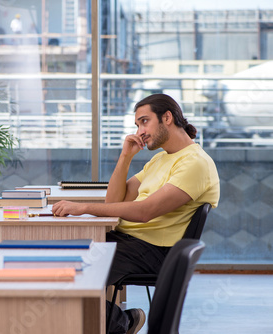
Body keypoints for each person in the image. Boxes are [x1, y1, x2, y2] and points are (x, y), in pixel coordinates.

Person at [52, 93, 220, 334]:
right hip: (130, 243)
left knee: (67, 275)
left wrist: (84, 207)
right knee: (60, 258)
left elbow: (145, 211)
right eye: (137, 125)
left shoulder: (195, 163)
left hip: (152, 250)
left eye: (144, 121)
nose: (140, 131)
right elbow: (114, 201)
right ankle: (122, 321)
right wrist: (125, 157)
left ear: (167, 118)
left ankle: (118, 322)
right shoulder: (161, 159)